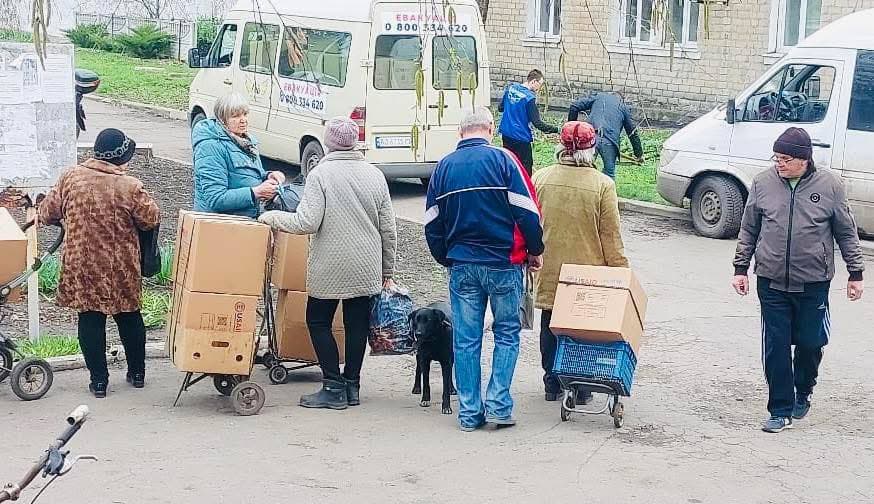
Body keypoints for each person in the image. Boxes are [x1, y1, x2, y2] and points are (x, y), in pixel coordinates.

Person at [732, 127, 864, 434]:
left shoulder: (829, 185)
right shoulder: (763, 183)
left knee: (810, 343)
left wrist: (855, 273)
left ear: (804, 159)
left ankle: (803, 390)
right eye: (777, 157)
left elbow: (846, 230)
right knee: (776, 346)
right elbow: (749, 228)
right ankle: (780, 409)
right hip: (771, 280)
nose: (779, 164)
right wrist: (741, 267)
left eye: (786, 159)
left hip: (813, 282)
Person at [259, 117, 397, 410]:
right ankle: (352, 385)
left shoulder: (320, 174)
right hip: (366, 266)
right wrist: (387, 271)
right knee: (356, 325)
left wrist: (272, 217)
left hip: (330, 266)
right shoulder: (375, 175)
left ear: (329, 143)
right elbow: (389, 230)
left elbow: (306, 222)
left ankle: (332, 386)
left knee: (318, 321)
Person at [425, 107, 544, 432]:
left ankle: (469, 413)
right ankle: (498, 407)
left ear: (460, 132)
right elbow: (528, 213)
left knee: (465, 339)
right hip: (504, 264)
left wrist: (446, 257)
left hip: (462, 264)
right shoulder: (505, 161)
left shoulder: (444, 168)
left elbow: (432, 223)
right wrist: (535, 251)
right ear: (490, 129)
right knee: (506, 333)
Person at [39, 128, 160, 398]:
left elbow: (47, 213)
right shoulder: (130, 186)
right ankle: (137, 373)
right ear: (119, 159)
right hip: (121, 267)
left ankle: (99, 382)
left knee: (90, 319)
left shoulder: (71, 178)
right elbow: (150, 219)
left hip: (82, 265)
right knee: (129, 317)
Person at [533, 121, 629, 402]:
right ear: (592, 151)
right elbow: (610, 236)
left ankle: (551, 382)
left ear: (560, 147)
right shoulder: (602, 185)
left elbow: (530, 223)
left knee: (550, 325)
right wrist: (621, 273)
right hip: (588, 275)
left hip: (550, 269)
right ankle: (581, 385)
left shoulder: (540, 178)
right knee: (582, 333)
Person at [192, 93, 285, 218]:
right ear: (222, 119)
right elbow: (216, 198)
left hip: (242, 221)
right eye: (235, 116)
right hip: (217, 225)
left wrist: (269, 176)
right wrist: (255, 193)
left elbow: (246, 175)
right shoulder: (210, 146)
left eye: (245, 114)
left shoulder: (247, 141)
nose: (243, 120)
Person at [567, 92, 644, 179]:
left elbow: (574, 106)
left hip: (590, 137)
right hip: (609, 142)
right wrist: (639, 154)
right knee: (609, 174)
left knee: (584, 169)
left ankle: (580, 189)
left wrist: (571, 130)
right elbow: (632, 132)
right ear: (621, 99)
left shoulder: (599, 97)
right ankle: (605, 191)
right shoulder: (623, 107)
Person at [497, 69, 559, 175]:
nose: (539, 88)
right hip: (521, 137)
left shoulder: (510, 88)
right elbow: (537, 123)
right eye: (540, 84)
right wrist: (556, 129)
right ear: (533, 81)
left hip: (506, 133)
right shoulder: (529, 98)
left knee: (509, 163)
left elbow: (500, 108)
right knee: (525, 167)